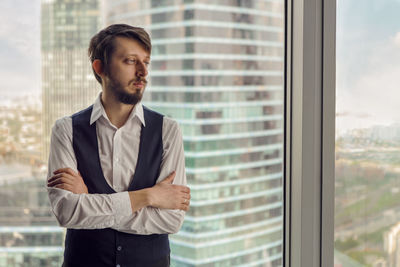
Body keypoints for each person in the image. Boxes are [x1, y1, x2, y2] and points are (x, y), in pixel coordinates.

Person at [46, 24, 190, 267]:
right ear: (100, 68)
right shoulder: (66, 129)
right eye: (131, 61)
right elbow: (67, 212)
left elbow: (171, 219)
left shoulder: (168, 130)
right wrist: (148, 197)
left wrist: (90, 201)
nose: (143, 72)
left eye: (146, 62)